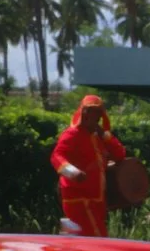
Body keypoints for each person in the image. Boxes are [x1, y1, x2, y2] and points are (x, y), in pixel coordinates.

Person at [50, 95, 127, 237]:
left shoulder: (99, 137)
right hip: (78, 198)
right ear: (82, 113)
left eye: (96, 112)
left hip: (97, 199)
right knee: (98, 238)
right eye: (88, 111)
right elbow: (56, 156)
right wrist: (73, 172)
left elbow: (120, 154)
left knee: (86, 241)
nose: (90, 116)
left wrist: (103, 134)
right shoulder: (72, 134)